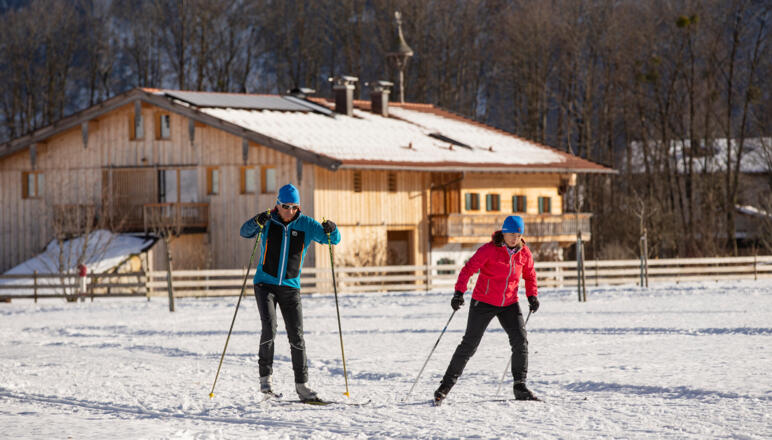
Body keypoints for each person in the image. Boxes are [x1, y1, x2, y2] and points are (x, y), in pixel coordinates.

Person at [239, 183, 341, 402]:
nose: (290, 211)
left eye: (294, 207)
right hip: (264, 284)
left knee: (297, 335)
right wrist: (256, 221)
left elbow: (332, 240)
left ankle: (302, 386)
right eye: (286, 206)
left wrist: (333, 229)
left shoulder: (306, 224)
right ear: (277, 204)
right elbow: (244, 232)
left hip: (290, 286)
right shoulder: (267, 220)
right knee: (269, 328)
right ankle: (265, 382)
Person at [434, 215, 540, 405]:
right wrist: (459, 293)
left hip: (509, 303)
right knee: (469, 345)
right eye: (511, 234)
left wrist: (532, 296)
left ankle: (520, 386)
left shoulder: (524, 253)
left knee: (520, 341)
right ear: (504, 233)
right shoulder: (489, 250)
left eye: (518, 235)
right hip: (483, 302)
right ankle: (445, 387)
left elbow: (530, 275)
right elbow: (468, 270)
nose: (515, 238)